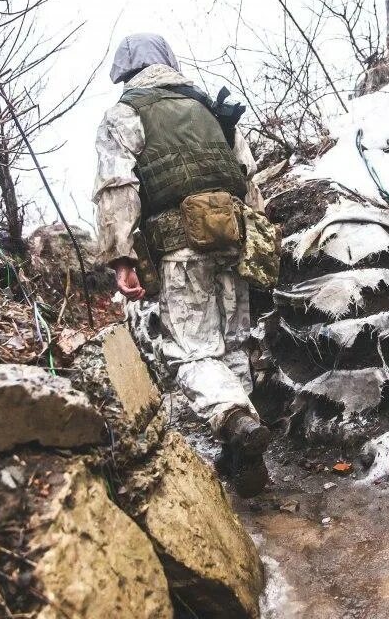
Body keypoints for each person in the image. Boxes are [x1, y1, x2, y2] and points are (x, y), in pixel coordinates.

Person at [93, 33, 272, 492]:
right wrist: (260, 240)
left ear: (125, 71)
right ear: (169, 62)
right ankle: (242, 460)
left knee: (191, 353)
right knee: (233, 347)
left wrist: (121, 258)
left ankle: (234, 422)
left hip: (179, 249)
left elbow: (117, 188)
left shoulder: (124, 113)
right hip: (235, 241)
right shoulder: (211, 106)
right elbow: (246, 177)